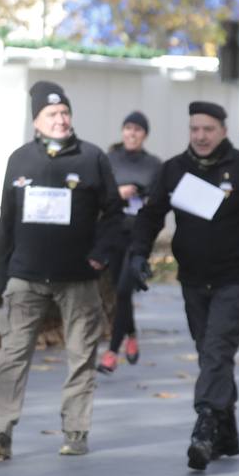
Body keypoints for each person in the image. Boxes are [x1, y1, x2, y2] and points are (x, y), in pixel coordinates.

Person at [125, 101, 239, 471]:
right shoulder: (174, 170)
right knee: (209, 353)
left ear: (223, 130)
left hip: (235, 279)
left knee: (218, 351)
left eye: (208, 129)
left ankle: (204, 428)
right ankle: (228, 431)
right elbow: (151, 215)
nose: (201, 136)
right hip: (192, 279)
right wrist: (137, 254)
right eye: (195, 129)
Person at [0, 82, 124, 460]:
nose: (60, 120)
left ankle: (75, 430)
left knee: (81, 357)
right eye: (51, 115)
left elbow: (114, 214)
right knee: (12, 354)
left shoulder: (92, 158)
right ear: (36, 122)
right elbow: (7, 222)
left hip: (78, 279)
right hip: (25, 277)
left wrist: (100, 255)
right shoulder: (20, 159)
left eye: (64, 113)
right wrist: (3, 274)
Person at [99, 111, 162, 373]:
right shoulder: (109, 159)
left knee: (125, 290)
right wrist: (118, 193)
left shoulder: (154, 164)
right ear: (122, 131)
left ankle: (112, 352)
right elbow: (99, 196)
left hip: (139, 236)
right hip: (113, 232)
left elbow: (159, 203)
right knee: (120, 292)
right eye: (128, 128)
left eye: (137, 130)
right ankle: (132, 334)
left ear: (145, 135)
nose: (132, 134)